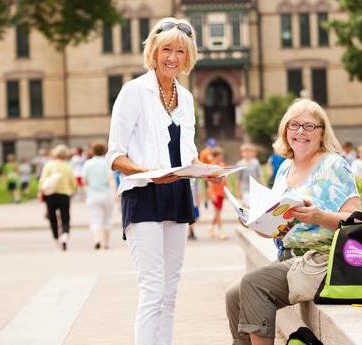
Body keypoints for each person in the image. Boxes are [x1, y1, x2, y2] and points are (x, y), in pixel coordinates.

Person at [225, 99, 362, 345]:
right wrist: (256, 222)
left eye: (309, 126)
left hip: (321, 259)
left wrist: (320, 216)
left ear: (322, 132)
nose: (300, 131)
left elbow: (358, 221)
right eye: (294, 125)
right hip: (289, 258)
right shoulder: (285, 168)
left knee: (253, 285)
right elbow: (277, 228)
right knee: (233, 295)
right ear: (285, 130)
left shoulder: (333, 164)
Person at [105, 18, 206, 345]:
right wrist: (149, 171)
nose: (172, 57)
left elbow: (187, 152)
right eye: (166, 49)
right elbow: (115, 156)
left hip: (178, 194)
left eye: (180, 51)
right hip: (144, 195)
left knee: (170, 291)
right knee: (152, 290)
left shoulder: (187, 98)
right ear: (153, 52)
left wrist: (203, 169)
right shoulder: (133, 92)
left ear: (188, 56)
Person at [38, 145, 76, 251]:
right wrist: (72, 191)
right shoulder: (67, 166)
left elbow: (42, 180)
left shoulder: (49, 165)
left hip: (50, 195)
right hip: (64, 195)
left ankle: (56, 239)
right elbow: (73, 182)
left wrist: (40, 191)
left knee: (52, 218)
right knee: (65, 217)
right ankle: (64, 236)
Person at [82, 143, 116, 250]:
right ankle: (106, 243)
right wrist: (115, 193)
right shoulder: (106, 163)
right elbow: (111, 179)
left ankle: (97, 240)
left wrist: (87, 189)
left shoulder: (87, 163)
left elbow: (84, 180)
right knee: (107, 219)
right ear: (105, 151)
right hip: (107, 194)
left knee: (95, 219)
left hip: (93, 195)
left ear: (92, 151)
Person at [207, 147, 228, 240]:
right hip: (215, 192)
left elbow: (225, 179)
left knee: (217, 212)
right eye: (219, 157)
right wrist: (211, 194)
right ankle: (221, 231)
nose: (220, 158)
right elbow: (209, 182)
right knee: (218, 213)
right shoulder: (211, 166)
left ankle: (211, 229)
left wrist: (227, 189)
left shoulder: (222, 165)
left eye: (221, 156)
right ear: (214, 157)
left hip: (221, 192)